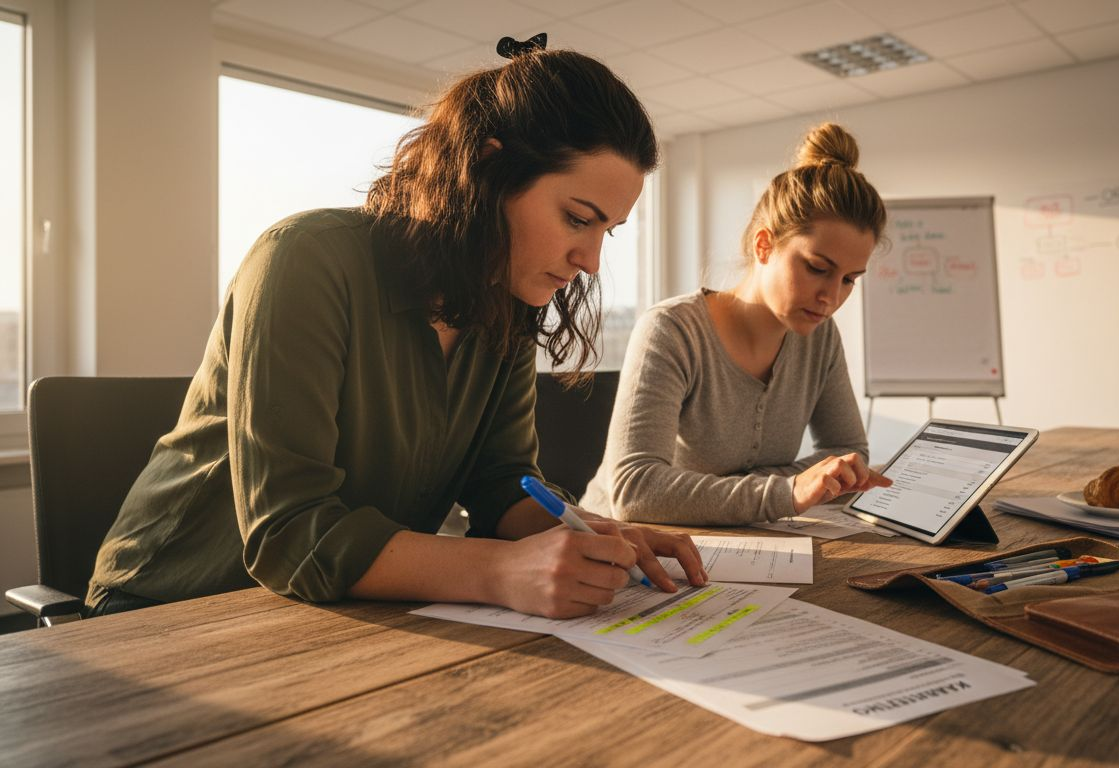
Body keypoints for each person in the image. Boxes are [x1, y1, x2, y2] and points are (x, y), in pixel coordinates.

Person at [86, 38, 706, 620]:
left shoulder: (509, 303)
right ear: (491, 171)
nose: (591, 260)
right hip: (169, 606)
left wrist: (589, 535)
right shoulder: (305, 259)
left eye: (607, 232)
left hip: (335, 613)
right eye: (577, 218)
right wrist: (499, 571)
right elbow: (288, 532)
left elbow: (500, 483)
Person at [581, 123, 891, 525]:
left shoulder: (820, 339)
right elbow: (635, 492)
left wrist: (763, 490)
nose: (831, 298)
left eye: (849, 279)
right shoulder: (672, 331)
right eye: (818, 268)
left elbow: (849, 451)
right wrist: (789, 491)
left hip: (738, 547)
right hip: (621, 551)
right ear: (764, 245)